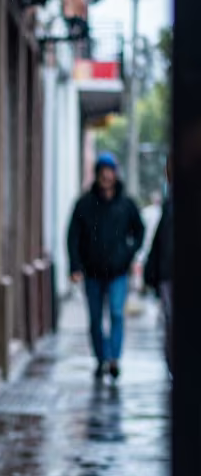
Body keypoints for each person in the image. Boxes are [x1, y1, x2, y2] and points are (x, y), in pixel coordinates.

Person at [67, 152, 145, 380]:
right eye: (102, 171)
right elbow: (73, 236)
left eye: (110, 171)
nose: (106, 176)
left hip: (118, 272)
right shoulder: (84, 204)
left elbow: (139, 231)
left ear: (115, 174)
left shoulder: (127, 204)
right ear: (98, 174)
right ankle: (101, 359)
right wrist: (75, 266)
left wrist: (128, 254)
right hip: (91, 272)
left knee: (117, 314)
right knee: (94, 319)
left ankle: (114, 359)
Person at [144, 153, 174, 374]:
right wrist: (152, 273)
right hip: (169, 275)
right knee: (172, 322)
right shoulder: (170, 202)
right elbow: (160, 240)